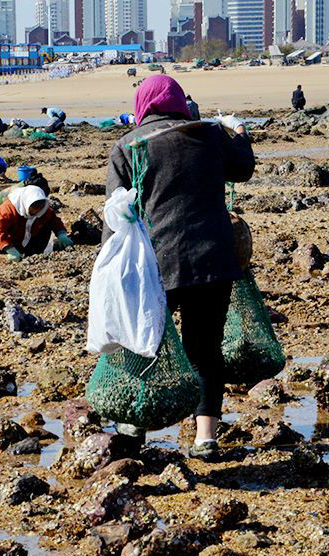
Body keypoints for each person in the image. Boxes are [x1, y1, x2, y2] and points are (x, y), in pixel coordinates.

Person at [104, 74, 254, 461]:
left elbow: (116, 215)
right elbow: (242, 168)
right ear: (179, 103)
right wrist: (237, 130)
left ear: (143, 106)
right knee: (205, 349)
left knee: (144, 343)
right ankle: (206, 438)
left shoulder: (128, 147)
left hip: (158, 264)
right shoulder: (209, 135)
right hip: (214, 260)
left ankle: (133, 429)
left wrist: (109, 268)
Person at [0, 185, 72, 266]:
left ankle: (33, 256)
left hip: (27, 240)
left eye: (39, 209)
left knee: (46, 227)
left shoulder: (43, 209)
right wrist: (9, 249)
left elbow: (54, 220)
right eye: (33, 209)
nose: (36, 212)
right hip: (5, 241)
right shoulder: (9, 209)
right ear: (26, 203)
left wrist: (61, 234)